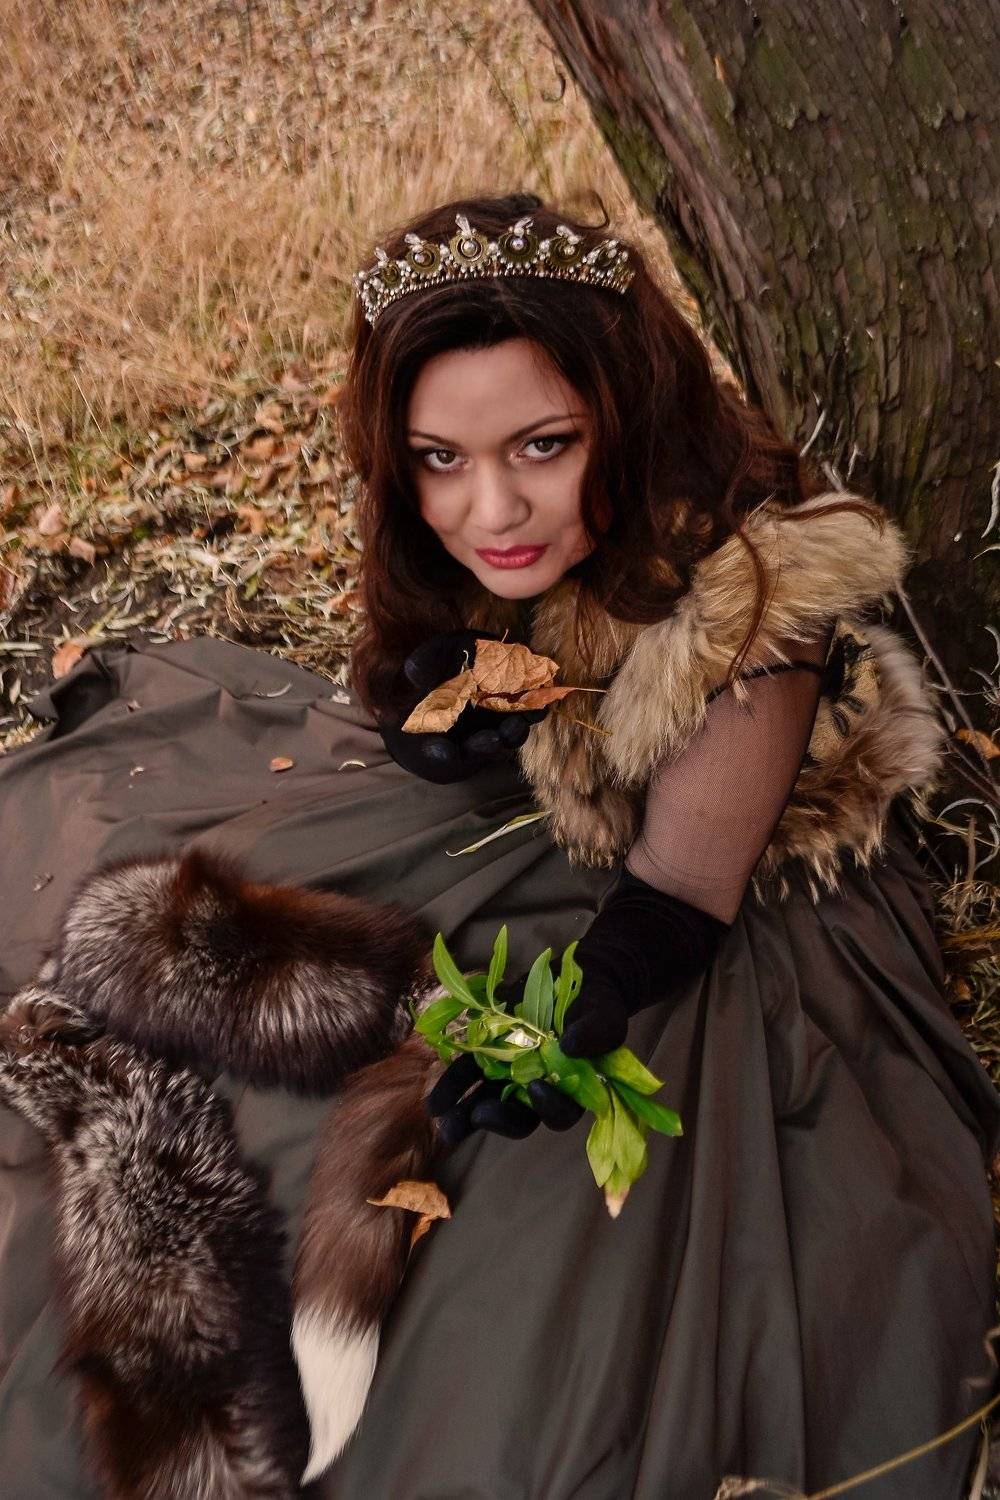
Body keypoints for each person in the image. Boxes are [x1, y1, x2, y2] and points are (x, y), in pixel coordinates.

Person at [0, 191, 997, 1500]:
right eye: (440, 458)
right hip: (529, 824)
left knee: (506, 1245)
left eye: (543, 445)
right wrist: (440, 721)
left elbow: (680, 891)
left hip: (720, 910)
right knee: (212, 1001)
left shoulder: (755, 588)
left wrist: (559, 1031)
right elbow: (409, 665)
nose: (493, 507)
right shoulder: (455, 513)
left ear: (622, 413)